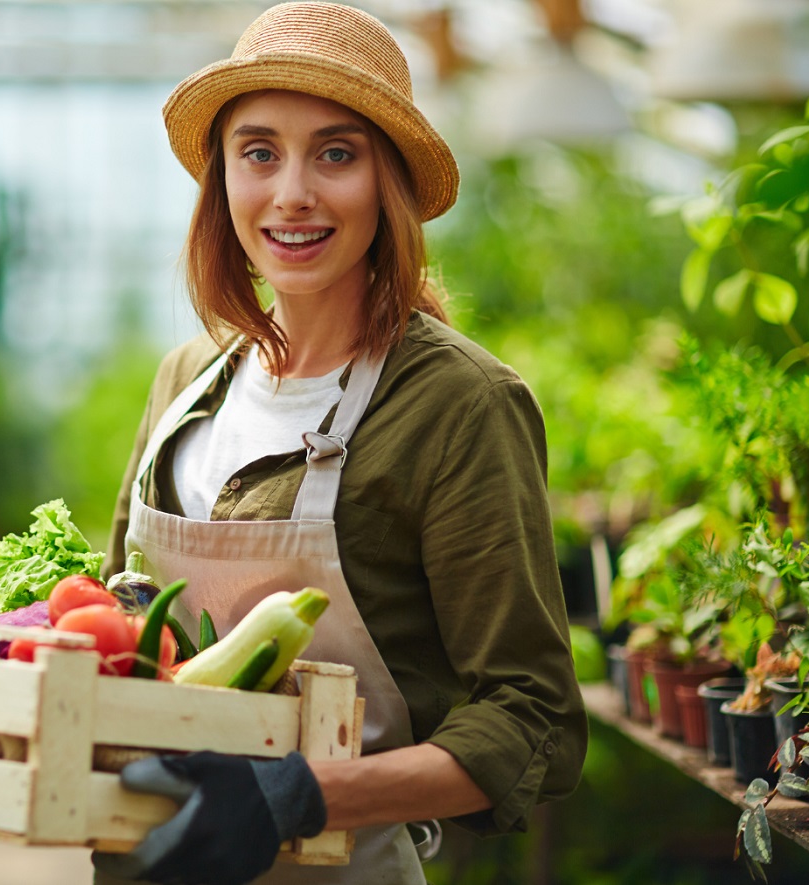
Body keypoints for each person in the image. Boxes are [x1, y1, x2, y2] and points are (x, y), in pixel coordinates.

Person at [94, 4, 587, 884]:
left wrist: (302, 795)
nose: (291, 193)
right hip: (145, 856)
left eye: (335, 153)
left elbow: (531, 714)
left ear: (386, 182)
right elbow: (116, 632)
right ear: (223, 181)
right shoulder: (187, 378)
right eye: (258, 152)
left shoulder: (456, 406)